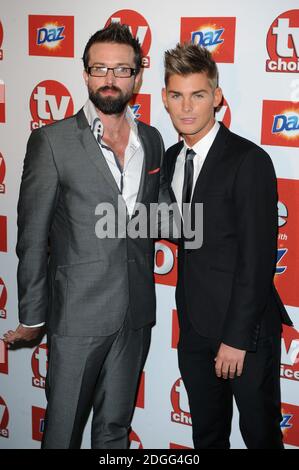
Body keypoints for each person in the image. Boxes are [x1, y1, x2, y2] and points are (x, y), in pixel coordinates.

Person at [3, 23, 167, 449]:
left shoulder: (151, 140)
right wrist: (33, 314)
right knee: (62, 432)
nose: (110, 79)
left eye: (121, 70)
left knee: (114, 432)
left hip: (135, 314)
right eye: (100, 69)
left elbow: (157, 215)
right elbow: (32, 235)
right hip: (77, 315)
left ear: (137, 76)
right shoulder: (52, 142)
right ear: (86, 74)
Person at [161, 43, 293, 449]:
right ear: (165, 99)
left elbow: (257, 260)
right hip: (195, 328)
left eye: (198, 94)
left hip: (245, 332)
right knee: (207, 435)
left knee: (259, 435)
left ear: (216, 97)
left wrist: (237, 339)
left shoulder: (248, 160)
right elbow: (182, 233)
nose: (187, 107)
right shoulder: (169, 158)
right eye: (177, 95)